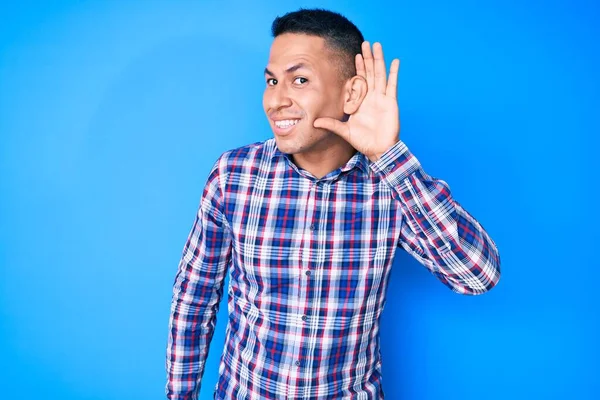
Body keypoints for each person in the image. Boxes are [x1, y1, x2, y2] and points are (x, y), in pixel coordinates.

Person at [166, 8, 501, 400]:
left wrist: (390, 156)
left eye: (300, 79)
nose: (276, 100)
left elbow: (478, 276)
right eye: (272, 81)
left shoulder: (391, 188)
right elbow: (193, 299)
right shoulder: (233, 175)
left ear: (352, 93)